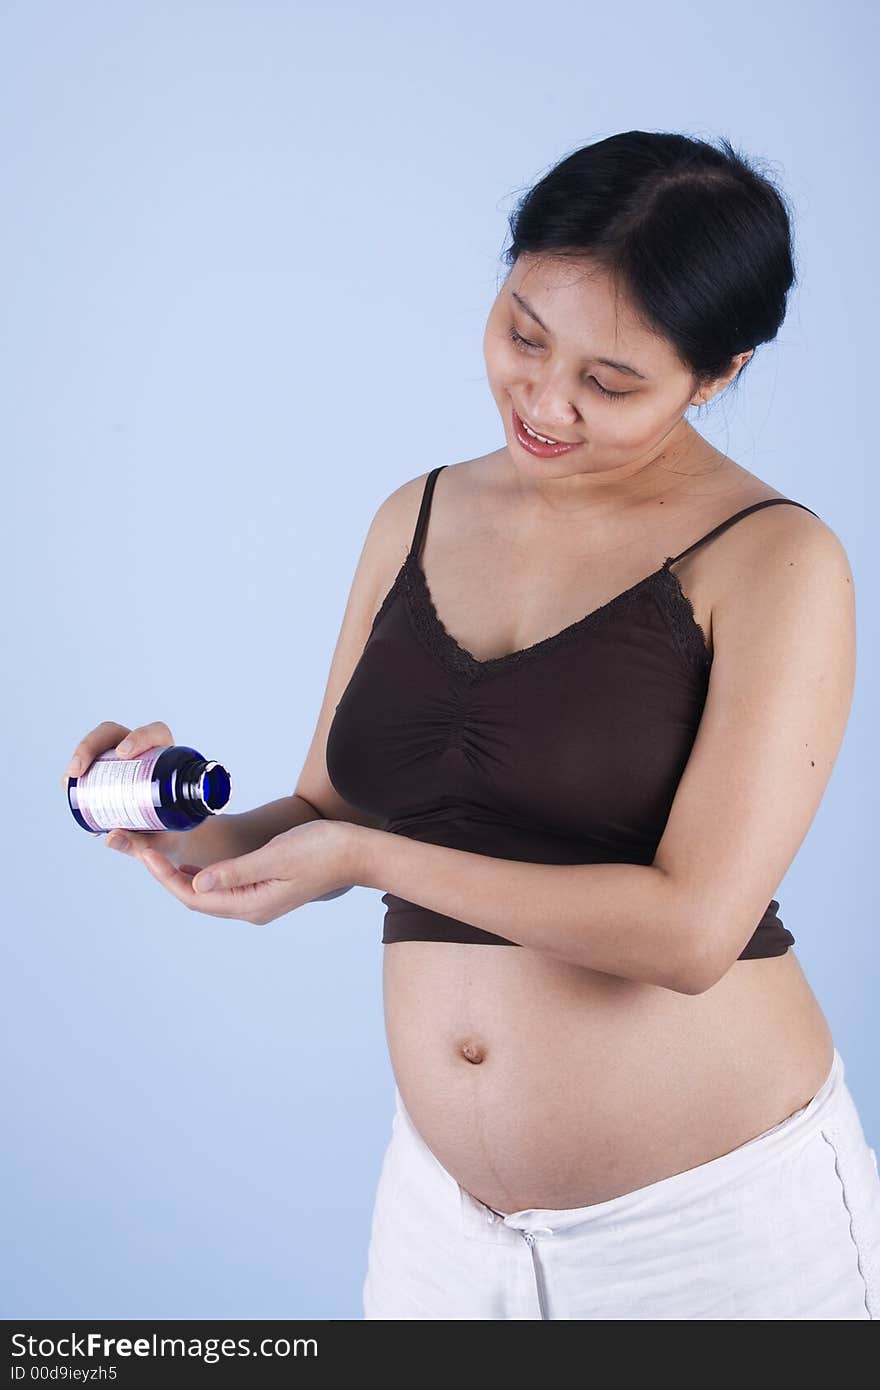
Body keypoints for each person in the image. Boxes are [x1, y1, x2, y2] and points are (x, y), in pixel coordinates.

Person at [64, 130, 880, 1319]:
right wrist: (177, 828)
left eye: (609, 382)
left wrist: (368, 859)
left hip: (715, 1235)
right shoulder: (419, 510)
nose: (544, 401)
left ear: (717, 372)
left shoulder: (776, 561)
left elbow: (691, 931)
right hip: (441, 1234)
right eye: (523, 333)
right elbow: (331, 810)